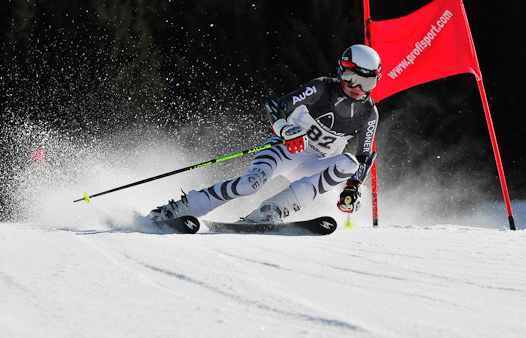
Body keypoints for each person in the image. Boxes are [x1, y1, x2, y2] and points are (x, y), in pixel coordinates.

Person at [148, 44, 381, 224]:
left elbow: (364, 157)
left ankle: (273, 210)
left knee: (349, 164)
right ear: (342, 70)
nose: (358, 88)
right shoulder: (321, 88)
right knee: (250, 184)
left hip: (315, 164)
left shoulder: (369, 113)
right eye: (353, 78)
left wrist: (354, 186)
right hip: (286, 149)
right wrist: (286, 130)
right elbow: (275, 105)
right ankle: (181, 207)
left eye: (367, 83)